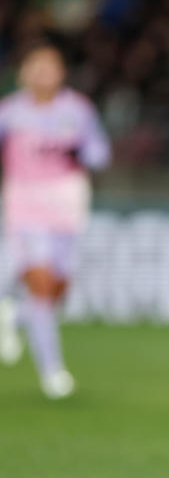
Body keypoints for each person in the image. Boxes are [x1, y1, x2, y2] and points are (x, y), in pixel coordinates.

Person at [0, 44, 111, 398]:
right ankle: (53, 373)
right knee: (42, 284)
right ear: (24, 73)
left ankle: (12, 316)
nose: (43, 74)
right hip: (26, 206)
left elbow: (100, 152)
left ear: (61, 73)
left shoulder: (77, 110)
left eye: (50, 67)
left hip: (66, 206)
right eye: (36, 67)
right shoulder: (10, 112)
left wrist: (82, 151)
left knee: (57, 291)